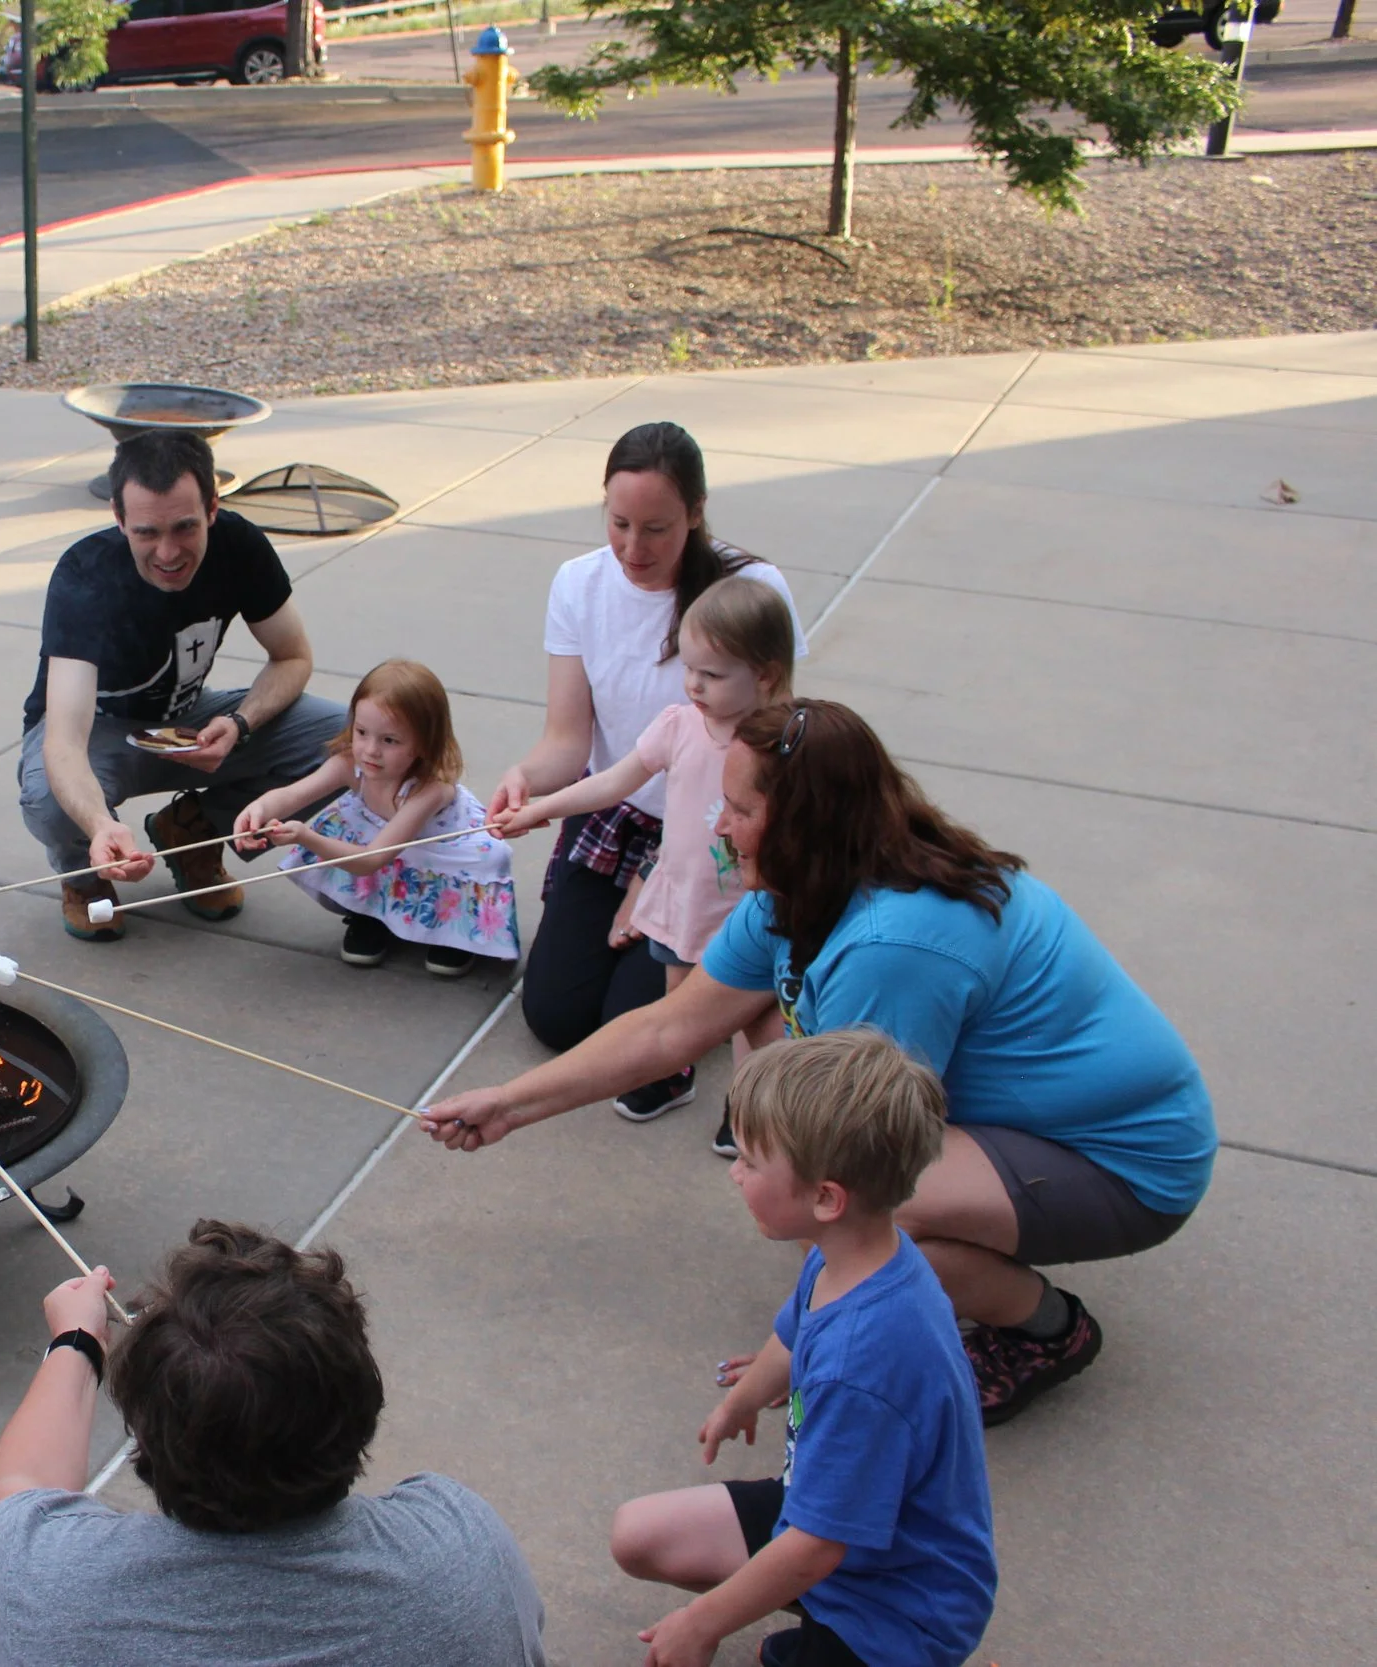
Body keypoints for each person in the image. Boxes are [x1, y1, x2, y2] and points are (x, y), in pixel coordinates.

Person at [427, 700, 1217, 1425]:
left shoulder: (893, 946)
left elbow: (861, 1164)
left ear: (806, 823)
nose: (720, 826)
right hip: (1029, 1124)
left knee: (846, 1208)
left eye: (741, 810)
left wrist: (789, 1350)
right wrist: (510, 1103)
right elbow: (670, 1029)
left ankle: (1046, 1326)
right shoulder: (801, 888)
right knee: (807, 1178)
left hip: (1126, 1161)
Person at [0, 1221, 548, 1666]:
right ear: (363, 1406)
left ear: (145, 1433)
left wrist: (78, 1341)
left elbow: (22, 1489)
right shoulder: (461, 1554)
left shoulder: (32, 1586)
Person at [612, 1030, 995, 1667]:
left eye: (750, 1161)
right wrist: (743, 1400)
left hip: (901, 1610)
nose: (735, 1172)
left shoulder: (861, 1366)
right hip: (839, 1526)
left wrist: (700, 1624)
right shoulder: (857, 1254)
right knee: (639, 1535)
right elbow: (794, 1333)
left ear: (825, 1198)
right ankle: (814, 1618)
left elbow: (818, 1546)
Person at [489, 422, 805, 1114]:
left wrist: (662, 868)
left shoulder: (751, 588)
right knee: (557, 1017)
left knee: (640, 1032)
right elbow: (569, 743)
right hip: (615, 813)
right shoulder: (578, 583)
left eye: (657, 528)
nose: (634, 548)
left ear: (696, 512)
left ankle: (728, 1011)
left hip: (709, 833)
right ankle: (707, 994)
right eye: (619, 523)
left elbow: (772, 744)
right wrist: (527, 782)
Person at [18, 429, 347, 941]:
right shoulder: (85, 574)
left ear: (212, 508)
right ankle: (87, 875)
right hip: (99, 734)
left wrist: (240, 723)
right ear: (118, 517)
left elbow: (292, 657)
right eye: (147, 532)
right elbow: (64, 740)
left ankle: (194, 829)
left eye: (185, 527)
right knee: (49, 796)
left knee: (352, 744)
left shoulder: (239, 546)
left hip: (190, 721)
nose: (168, 552)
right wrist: (100, 824)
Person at [234, 657, 519, 977]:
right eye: (361, 732)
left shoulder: (430, 789)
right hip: (385, 843)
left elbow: (373, 859)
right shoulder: (349, 763)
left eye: (389, 740)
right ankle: (371, 914)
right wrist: (259, 810)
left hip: (436, 850)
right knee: (342, 827)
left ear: (425, 743)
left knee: (483, 858)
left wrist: (305, 836)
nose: (370, 750)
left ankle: (453, 929)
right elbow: (292, 795)